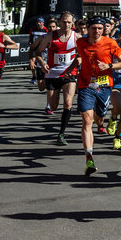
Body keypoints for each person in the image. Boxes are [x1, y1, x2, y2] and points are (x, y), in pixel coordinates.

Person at [74, 18, 121, 176]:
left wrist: (109, 66)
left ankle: (105, 119)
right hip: (85, 86)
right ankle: (89, 158)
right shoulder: (81, 42)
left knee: (99, 118)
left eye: (99, 28)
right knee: (86, 120)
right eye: (93, 28)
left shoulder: (110, 43)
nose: (96, 31)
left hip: (104, 86)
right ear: (88, 29)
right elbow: (80, 56)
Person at [35, 12, 79, 146]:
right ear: (59, 22)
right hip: (52, 74)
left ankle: (61, 133)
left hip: (69, 74)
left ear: (73, 23)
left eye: (69, 22)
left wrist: (74, 67)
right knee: (53, 106)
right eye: (64, 22)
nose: (67, 25)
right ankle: (60, 131)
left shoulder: (76, 37)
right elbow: (38, 52)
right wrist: (42, 63)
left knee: (68, 103)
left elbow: (81, 55)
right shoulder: (50, 36)